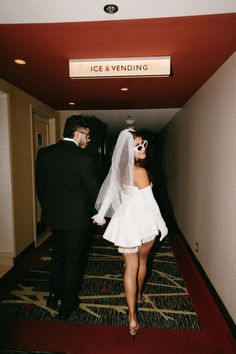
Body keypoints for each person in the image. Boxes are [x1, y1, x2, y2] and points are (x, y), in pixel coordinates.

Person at [92, 129, 168, 336]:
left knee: (129, 268)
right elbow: (151, 205)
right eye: (138, 146)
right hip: (143, 222)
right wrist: (163, 226)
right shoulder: (140, 172)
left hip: (125, 223)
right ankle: (139, 294)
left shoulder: (118, 170)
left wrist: (100, 215)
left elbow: (109, 193)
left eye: (144, 144)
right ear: (129, 150)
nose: (144, 148)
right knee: (141, 262)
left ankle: (132, 315)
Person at [35, 115, 99, 320]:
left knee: (58, 254)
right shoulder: (84, 159)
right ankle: (68, 303)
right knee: (72, 259)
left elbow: (40, 188)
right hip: (75, 219)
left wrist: (48, 209)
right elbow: (94, 192)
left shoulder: (44, 154)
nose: (88, 141)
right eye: (87, 136)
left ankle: (53, 294)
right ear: (78, 134)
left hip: (53, 216)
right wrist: (88, 211)